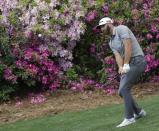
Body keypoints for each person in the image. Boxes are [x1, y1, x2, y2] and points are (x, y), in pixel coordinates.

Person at [96, 17, 147, 127]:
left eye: (103, 26)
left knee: (124, 88)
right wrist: (120, 67)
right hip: (128, 63)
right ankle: (139, 112)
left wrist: (126, 64)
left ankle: (129, 118)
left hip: (137, 61)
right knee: (121, 91)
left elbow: (128, 45)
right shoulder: (111, 41)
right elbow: (117, 55)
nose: (102, 29)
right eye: (100, 28)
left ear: (110, 23)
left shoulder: (121, 29)